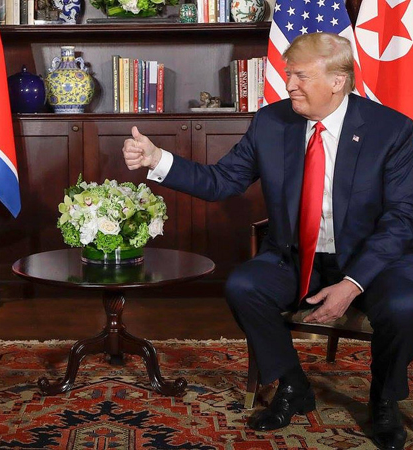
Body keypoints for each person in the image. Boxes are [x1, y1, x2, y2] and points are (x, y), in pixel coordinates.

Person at [122, 32, 413, 450]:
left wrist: (352, 285)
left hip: (370, 262)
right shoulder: (272, 121)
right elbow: (222, 181)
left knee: (405, 306)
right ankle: (293, 385)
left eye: (300, 76)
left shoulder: (392, 130)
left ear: (338, 81)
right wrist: (157, 159)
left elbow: (401, 220)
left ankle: (384, 399)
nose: (289, 84)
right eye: (288, 74)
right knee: (244, 286)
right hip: (294, 257)